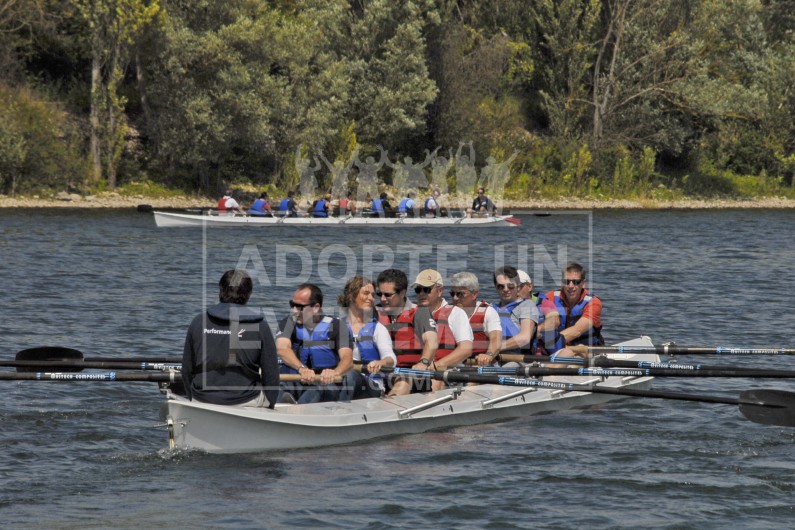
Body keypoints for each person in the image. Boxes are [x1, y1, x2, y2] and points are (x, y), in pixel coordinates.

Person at [181, 270, 279, 408]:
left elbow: (186, 370)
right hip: (245, 400)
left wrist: (193, 397)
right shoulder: (260, 326)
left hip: (202, 398)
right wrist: (271, 405)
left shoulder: (198, 321)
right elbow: (272, 376)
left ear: (220, 290)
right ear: (248, 294)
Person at [276, 283, 355, 403]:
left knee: (318, 390)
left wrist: (335, 372)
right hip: (294, 380)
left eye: (299, 307)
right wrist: (302, 369)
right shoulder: (288, 323)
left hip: (324, 383)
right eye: (292, 305)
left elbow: (347, 360)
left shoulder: (338, 327)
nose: (294, 310)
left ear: (316, 307)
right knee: (276, 388)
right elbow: (282, 349)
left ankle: (299, 411)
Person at [375, 269, 438, 396]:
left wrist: (424, 362)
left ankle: (389, 410)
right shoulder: (374, 312)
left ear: (402, 293)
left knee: (403, 380)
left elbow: (432, 341)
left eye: (387, 295)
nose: (382, 299)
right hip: (381, 371)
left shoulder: (419, 312)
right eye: (379, 294)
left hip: (413, 374)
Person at [412, 269, 473, 388]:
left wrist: (437, 365)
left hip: (450, 371)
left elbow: (466, 349)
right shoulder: (412, 312)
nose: (422, 294)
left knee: (435, 381)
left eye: (427, 289)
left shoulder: (456, 313)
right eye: (418, 290)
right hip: (418, 369)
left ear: (440, 291)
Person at [338, 275, 396, 398]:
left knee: (351, 375)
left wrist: (380, 362)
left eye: (373, 295)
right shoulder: (336, 326)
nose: (371, 298)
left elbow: (391, 359)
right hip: (341, 381)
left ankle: (339, 410)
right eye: (366, 293)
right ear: (351, 296)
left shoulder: (378, 329)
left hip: (371, 386)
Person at [538, 262, 604, 355]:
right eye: (567, 282)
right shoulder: (550, 297)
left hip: (585, 350)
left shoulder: (594, 303)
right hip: (556, 348)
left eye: (576, 282)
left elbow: (577, 330)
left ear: (583, 283)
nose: (571, 286)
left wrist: (549, 343)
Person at [449, 272, 502, 366]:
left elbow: (496, 339)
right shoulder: (447, 312)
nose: (455, 298)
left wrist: (489, 355)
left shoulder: (488, 312)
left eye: (460, 294)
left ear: (474, 294)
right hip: (454, 365)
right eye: (452, 294)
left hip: (482, 366)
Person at [493, 266, 538, 357]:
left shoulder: (527, 305)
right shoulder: (491, 309)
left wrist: (495, 348)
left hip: (517, 360)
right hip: (491, 357)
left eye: (510, 286)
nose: (506, 289)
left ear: (518, 287)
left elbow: (524, 338)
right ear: (496, 288)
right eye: (501, 286)